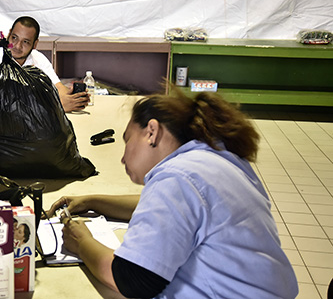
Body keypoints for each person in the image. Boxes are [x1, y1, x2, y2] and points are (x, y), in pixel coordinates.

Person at [47, 90, 298, 298]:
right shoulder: (213, 159)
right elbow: (173, 211)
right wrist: (94, 201)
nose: (123, 157)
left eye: (127, 140)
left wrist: (81, 242)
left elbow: (131, 280)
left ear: (151, 132)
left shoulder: (176, 176)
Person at [0, 16, 89, 112]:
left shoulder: (38, 57)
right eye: (14, 38)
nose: (17, 46)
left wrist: (74, 97)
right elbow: (10, 101)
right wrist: (57, 106)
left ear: (35, 44)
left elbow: (57, 87)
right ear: (9, 34)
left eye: (25, 42)